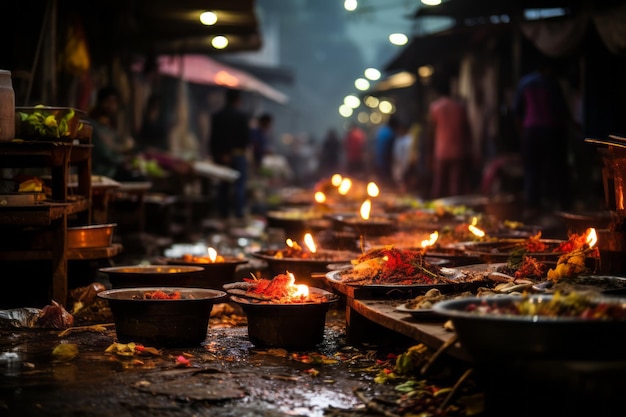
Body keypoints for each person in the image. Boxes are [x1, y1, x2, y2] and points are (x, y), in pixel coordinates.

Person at [514, 59, 573, 217]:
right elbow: (560, 109)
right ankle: (562, 206)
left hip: (530, 131)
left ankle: (533, 206)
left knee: (532, 169)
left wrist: (523, 134)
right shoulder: (551, 82)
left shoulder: (524, 82)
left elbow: (518, 112)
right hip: (551, 130)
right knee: (557, 168)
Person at [426, 77, 473, 199]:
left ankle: (436, 214)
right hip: (459, 151)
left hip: (441, 151)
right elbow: (467, 131)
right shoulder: (460, 107)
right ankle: (456, 214)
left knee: (439, 185)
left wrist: (429, 154)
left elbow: (431, 132)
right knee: (455, 187)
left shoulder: (435, 108)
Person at [209, 88, 251, 221]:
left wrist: (219, 154)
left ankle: (223, 214)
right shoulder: (242, 117)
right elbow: (246, 139)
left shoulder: (217, 116)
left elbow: (213, 138)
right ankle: (238, 214)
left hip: (222, 156)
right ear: (238, 100)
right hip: (238, 155)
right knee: (239, 185)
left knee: (223, 186)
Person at [88, 85, 136, 180]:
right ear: (100, 102)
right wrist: (124, 160)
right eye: (108, 101)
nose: (111, 105)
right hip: (103, 172)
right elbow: (105, 153)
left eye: (114, 102)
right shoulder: (92, 125)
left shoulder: (108, 126)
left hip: (114, 169)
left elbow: (117, 146)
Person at [373, 116, 399, 186]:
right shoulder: (391, 133)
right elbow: (391, 150)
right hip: (385, 161)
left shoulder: (381, 130)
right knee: (385, 182)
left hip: (377, 160)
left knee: (380, 181)